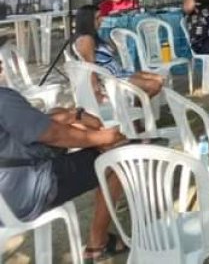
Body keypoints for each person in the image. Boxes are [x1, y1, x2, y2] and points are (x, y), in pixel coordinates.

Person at [0, 53, 127, 262]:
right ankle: (99, 243)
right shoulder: (3, 99)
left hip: (9, 188)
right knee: (115, 159)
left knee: (62, 116)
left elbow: (35, 123)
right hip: (21, 193)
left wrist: (73, 115)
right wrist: (102, 137)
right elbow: (55, 135)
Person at [73, 5, 164, 98]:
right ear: (87, 21)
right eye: (97, 18)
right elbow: (90, 67)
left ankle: (137, 106)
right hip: (113, 79)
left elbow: (110, 51)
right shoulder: (86, 40)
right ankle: (138, 108)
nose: (102, 20)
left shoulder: (93, 36)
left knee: (159, 79)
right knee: (154, 85)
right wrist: (96, 91)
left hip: (120, 73)